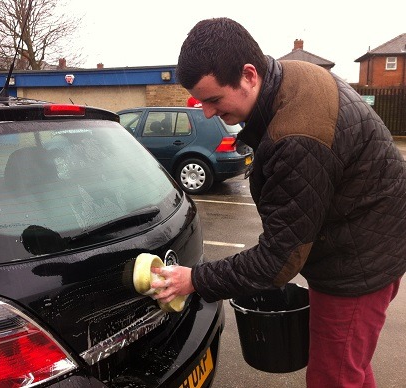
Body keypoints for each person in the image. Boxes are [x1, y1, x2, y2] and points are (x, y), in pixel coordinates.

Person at [151, 17, 406, 388]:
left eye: (213, 99)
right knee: (351, 367)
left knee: (332, 378)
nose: (206, 112)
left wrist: (196, 280)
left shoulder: (296, 136)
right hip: (370, 240)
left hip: (357, 265)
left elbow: (277, 261)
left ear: (249, 75)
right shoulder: (288, 77)